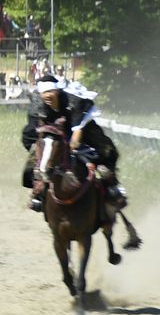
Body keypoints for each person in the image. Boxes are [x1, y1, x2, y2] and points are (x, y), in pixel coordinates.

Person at [21, 75, 126, 213]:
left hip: (81, 130)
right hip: (51, 131)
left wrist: (68, 149)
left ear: (57, 91)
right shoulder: (37, 107)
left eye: (50, 92)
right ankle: (39, 189)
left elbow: (76, 135)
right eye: (44, 93)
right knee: (35, 156)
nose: (47, 96)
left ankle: (112, 186)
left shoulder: (74, 102)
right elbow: (36, 133)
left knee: (107, 150)